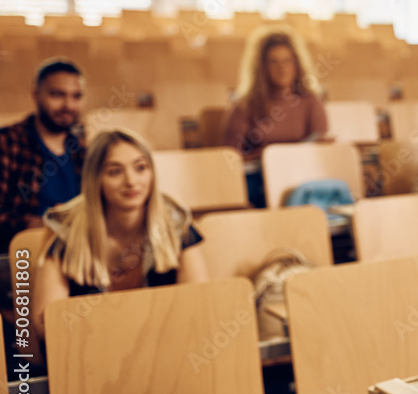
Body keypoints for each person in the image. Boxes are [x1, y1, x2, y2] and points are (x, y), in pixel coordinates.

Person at [33, 128, 209, 338]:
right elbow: (47, 326)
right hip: (91, 356)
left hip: (165, 348)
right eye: (115, 171)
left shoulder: (175, 225)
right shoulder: (66, 232)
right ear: (95, 179)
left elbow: (199, 307)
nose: (131, 181)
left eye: (140, 168)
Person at [223, 26, 328, 207]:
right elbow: (229, 158)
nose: (282, 68)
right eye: (274, 62)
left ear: (296, 64)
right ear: (262, 67)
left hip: (302, 177)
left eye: (287, 61)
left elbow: (319, 143)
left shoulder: (310, 101)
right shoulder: (245, 105)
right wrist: (268, 157)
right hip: (259, 182)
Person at [0, 58, 86, 253]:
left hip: (76, 257)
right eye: (57, 95)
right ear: (36, 95)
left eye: (76, 96)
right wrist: (39, 224)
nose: (68, 105)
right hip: (21, 259)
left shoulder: (82, 152)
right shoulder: (8, 143)